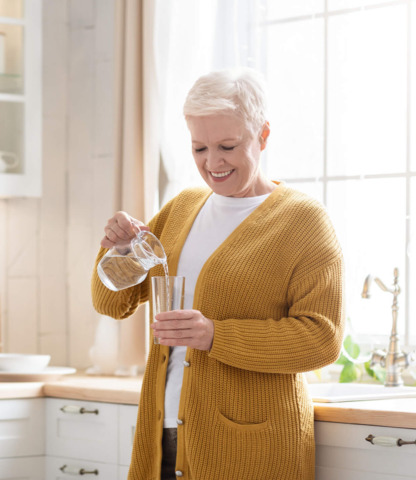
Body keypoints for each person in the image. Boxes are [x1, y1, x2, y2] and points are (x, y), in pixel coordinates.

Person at [91, 68, 344, 480]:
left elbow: (322, 339)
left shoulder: (303, 221)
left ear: (262, 135)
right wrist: (118, 249)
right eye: (199, 148)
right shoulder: (182, 207)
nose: (213, 163)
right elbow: (111, 303)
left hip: (253, 446)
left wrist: (215, 335)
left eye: (228, 145)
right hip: (164, 433)